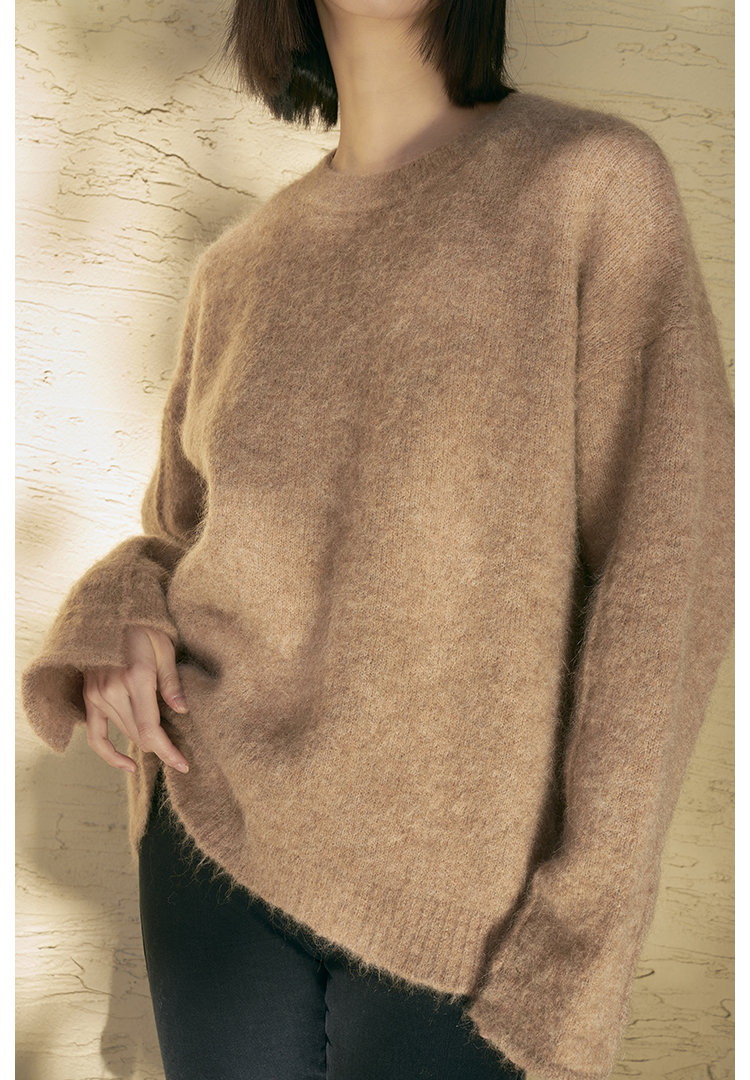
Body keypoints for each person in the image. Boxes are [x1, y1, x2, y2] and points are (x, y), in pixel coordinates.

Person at [22, 0, 734, 1078]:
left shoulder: (589, 185)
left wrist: (581, 931)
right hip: (216, 847)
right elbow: (177, 539)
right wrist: (117, 610)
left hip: (469, 907)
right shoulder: (237, 272)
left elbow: (672, 566)